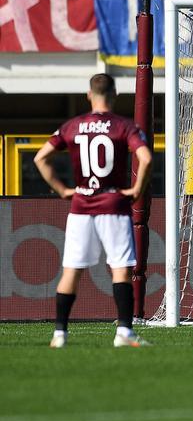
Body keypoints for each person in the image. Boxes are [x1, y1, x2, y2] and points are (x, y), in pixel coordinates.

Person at [33, 74, 153, 349]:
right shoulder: (124, 126)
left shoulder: (72, 126)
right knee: (120, 270)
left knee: (71, 271)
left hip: (81, 206)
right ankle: (124, 332)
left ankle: (60, 335)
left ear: (89, 94)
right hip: (113, 205)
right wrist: (136, 189)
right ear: (114, 95)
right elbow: (145, 158)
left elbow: (40, 157)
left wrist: (62, 189)